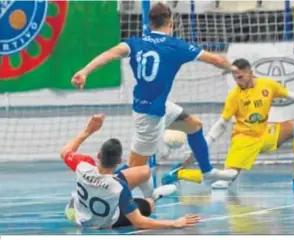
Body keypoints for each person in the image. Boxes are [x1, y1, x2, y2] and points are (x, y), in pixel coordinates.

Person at [70, 2, 238, 198]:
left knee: (194, 125)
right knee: (135, 169)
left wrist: (84, 71)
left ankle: (207, 171)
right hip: (148, 117)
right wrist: (234, 69)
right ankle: (97, 194)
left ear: (150, 24)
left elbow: (109, 54)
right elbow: (217, 60)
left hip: (158, 107)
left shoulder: (134, 42)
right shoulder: (176, 46)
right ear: (171, 22)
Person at [162, 58, 294, 189]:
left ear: (250, 73)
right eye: (235, 78)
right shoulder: (234, 96)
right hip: (244, 140)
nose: (238, 81)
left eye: (240, 77)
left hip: (265, 134)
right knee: (224, 180)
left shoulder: (267, 85)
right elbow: (221, 124)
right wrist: (202, 146)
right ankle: (178, 174)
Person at [61, 114, 200, 229]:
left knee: (144, 171)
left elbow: (64, 152)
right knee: (147, 206)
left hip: (80, 213)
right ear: (119, 160)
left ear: (99, 155)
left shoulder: (83, 165)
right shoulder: (119, 187)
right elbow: (139, 222)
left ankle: (151, 195)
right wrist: (175, 223)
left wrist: (88, 131)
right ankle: (153, 198)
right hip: (103, 222)